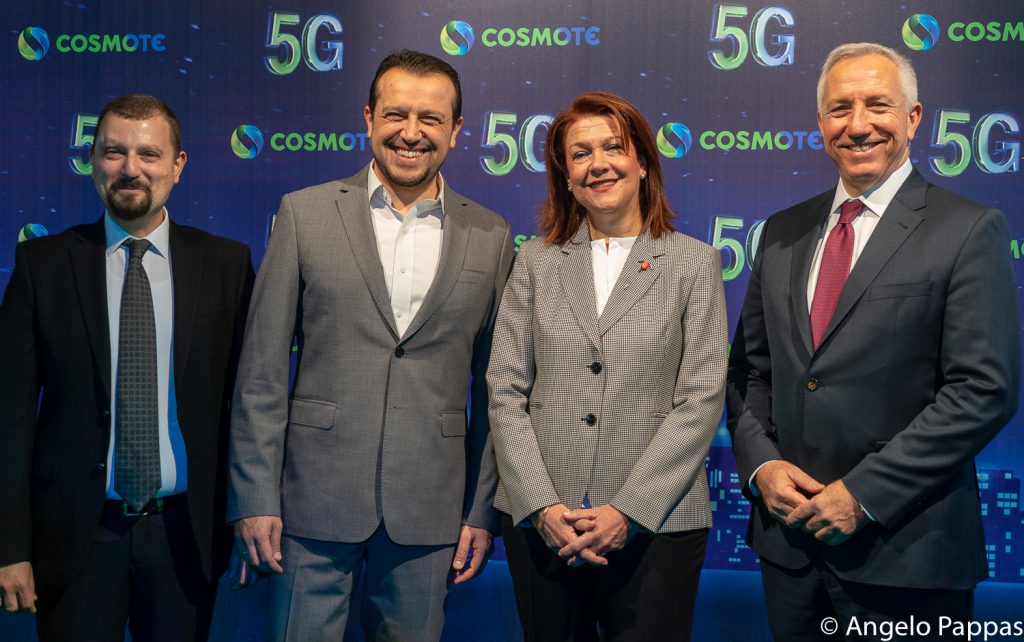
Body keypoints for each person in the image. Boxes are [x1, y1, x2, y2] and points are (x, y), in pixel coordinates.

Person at [727, 42, 1020, 640]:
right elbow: (750, 373)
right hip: (791, 552)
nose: (858, 125)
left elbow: (982, 390)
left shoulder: (969, 229)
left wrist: (863, 494)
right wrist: (763, 468)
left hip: (909, 552)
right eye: (840, 109)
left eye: (878, 106)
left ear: (913, 118)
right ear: (820, 124)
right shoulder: (781, 231)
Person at [228, 50, 514, 641]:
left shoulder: (491, 235)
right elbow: (261, 374)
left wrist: (481, 509)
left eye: (430, 118)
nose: (411, 132)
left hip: (430, 511)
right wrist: (255, 496)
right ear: (368, 118)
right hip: (309, 506)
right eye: (395, 114)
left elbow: (497, 392)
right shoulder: (304, 214)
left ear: (457, 129)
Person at [0, 94, 254, 641]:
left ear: (178, 165)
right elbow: (10, 418)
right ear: (92, 161)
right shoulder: (42, 265)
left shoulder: (227, 265)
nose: (130, 169)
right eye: (114, 152)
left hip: (187, 536)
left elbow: (253, 404)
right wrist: (9, 546)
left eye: (149, 154)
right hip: (75, 536)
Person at [487, 91, 728, 641]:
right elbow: (504, 389)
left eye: (613, 148)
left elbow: (700, 398)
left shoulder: (694, 262)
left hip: (657, 525)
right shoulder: (536, 260)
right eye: (580, 154)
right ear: (566, 177)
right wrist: (541, 505)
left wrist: (629, 510)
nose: (598, 164)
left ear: (642, 163)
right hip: (545, 526)